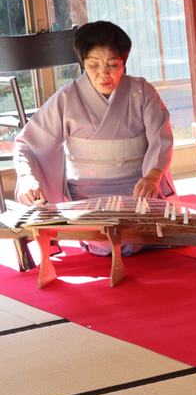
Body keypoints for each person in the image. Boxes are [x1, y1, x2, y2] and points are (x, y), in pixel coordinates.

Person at [13, 22, 174, 252]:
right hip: (87, 196)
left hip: (137, 191)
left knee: (144, 232)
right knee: (110, 241)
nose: (103, 73)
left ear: (124, 61)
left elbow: (161, 138)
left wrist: (153, 176)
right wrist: (28, 178)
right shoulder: (66, 99)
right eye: (93, 65)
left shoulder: (142, 92)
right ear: (83, 64)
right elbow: (27, 144)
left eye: (112, 64)